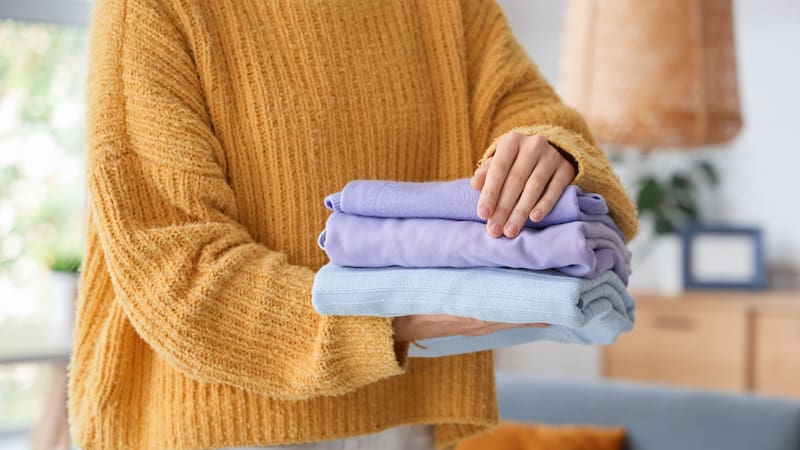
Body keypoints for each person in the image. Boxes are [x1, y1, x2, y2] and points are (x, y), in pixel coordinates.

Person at [67, 0, 638, 449]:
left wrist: (552, 155)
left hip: (399, 413)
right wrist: (395, 317)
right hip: (213, 421)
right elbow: (174, 267)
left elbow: (548, 127)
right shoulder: (149, 7)